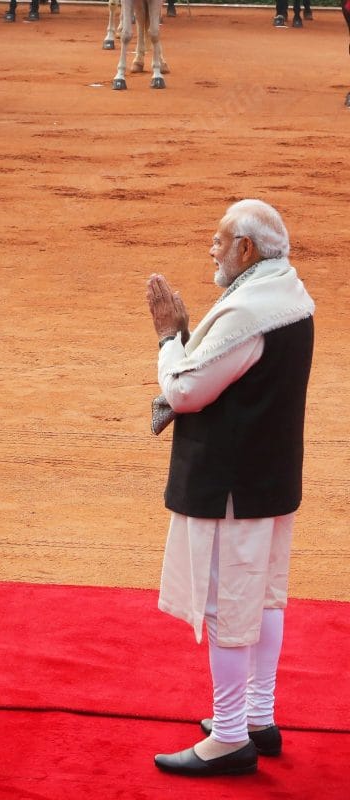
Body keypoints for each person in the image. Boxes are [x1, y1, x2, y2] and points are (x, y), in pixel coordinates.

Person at [144, 199, 314, 777]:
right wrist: (192, 336)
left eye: (219, 241)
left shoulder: (249, 310)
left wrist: (170, 338)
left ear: (246, 249)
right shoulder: (289, 290)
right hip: (271, 477)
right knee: (264, 597)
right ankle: (259, 717)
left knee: (227, 607)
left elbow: (188, 390)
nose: (211, 249)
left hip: (231, 487)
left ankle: (232, 736)